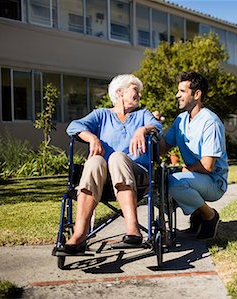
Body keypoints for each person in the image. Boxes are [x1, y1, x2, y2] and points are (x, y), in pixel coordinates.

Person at [58, 74, 162, 254]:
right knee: (94, 161)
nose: (139, 95)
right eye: (135, 90)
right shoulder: (101, 115)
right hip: (103, 178)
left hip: (137, 174)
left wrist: (142, 129)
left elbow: (158, 128)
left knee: (117, 157)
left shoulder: (142, 115)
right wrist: (91, 137)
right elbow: (73, 126)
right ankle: (79, 234)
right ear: (120, 93)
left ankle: (133, 230)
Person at [161, 71, 228, 240]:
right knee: (159, 182)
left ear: (196, 94)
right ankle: (197, 215)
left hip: (214, 181)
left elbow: (207, 166)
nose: (177, 95)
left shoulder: (210, 122)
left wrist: (183, 169)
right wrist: (150, 127)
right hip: (195, 177)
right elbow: (162, 147)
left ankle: (209, 216)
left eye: (182, 91)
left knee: (175, 183)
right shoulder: (181, 120)